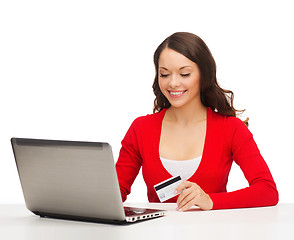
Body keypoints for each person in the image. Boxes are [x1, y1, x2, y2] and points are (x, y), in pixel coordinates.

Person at [115, 32, 278, 211]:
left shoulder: (231, 128)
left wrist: (211, 201)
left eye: (184, 74)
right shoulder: (141, 128)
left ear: (204, 75)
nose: (173, 83)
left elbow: (267, 190)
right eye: (164, 74)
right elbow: (114, 193)